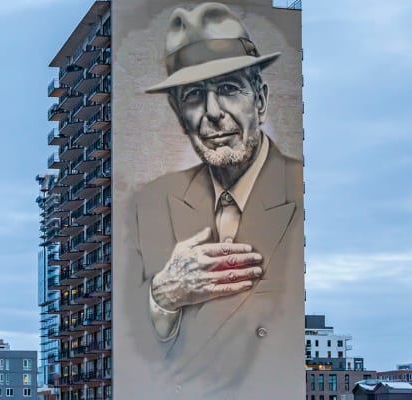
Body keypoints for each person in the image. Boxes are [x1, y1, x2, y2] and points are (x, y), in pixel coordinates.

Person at [120, 3, 304, 398]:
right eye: (192, 97)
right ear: (178, 114)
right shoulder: (148, 202)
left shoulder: (301, 187)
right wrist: (164, 295)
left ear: (261, 99)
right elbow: (132, 339)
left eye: (228, 89)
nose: (212, 113)